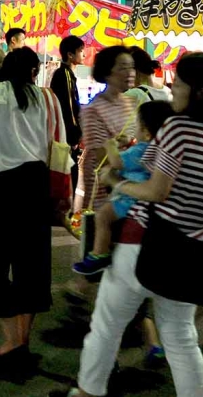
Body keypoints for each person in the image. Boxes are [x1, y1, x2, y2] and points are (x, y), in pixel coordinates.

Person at [48, 53, 203, 397]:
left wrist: (116, 183)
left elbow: (156, 190)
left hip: (149, 242)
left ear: (199, 90)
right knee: (182, 338)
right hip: (194, 248)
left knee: (107, 324)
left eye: (180, 84)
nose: (173, 91)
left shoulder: (179, 128)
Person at [0, 47, 62, 357]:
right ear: (33, 72)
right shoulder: (46, 98)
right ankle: (23, 337)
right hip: (34, 185)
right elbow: (57, 146)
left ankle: (10, 338)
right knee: (31, 265)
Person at [73, 100, 175, 276]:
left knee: (103, 216)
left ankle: (99, 254)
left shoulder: (141, 149)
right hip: (143, 201)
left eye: (137, 125)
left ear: (147, 133)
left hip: (129, 198)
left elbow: (117, 162)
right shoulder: (158, 148)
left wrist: (110, 146)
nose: (134, 129)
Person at [76, 47, 138, 214]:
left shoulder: (132, 102)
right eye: (123, 67)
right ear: (107, 72)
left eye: (131, 67)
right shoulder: (93, 109)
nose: (130, 72)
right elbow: (102, 156)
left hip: (130, 183)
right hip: (105, 186)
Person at [52, 36, 85, 200]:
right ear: (70, 55)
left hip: (65, 135)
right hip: (66, 136)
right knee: (68, 174)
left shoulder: (67, 74)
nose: (83, 54)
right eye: (80, 51)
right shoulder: (64, 74)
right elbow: (69, 107)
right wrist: (74, 135)